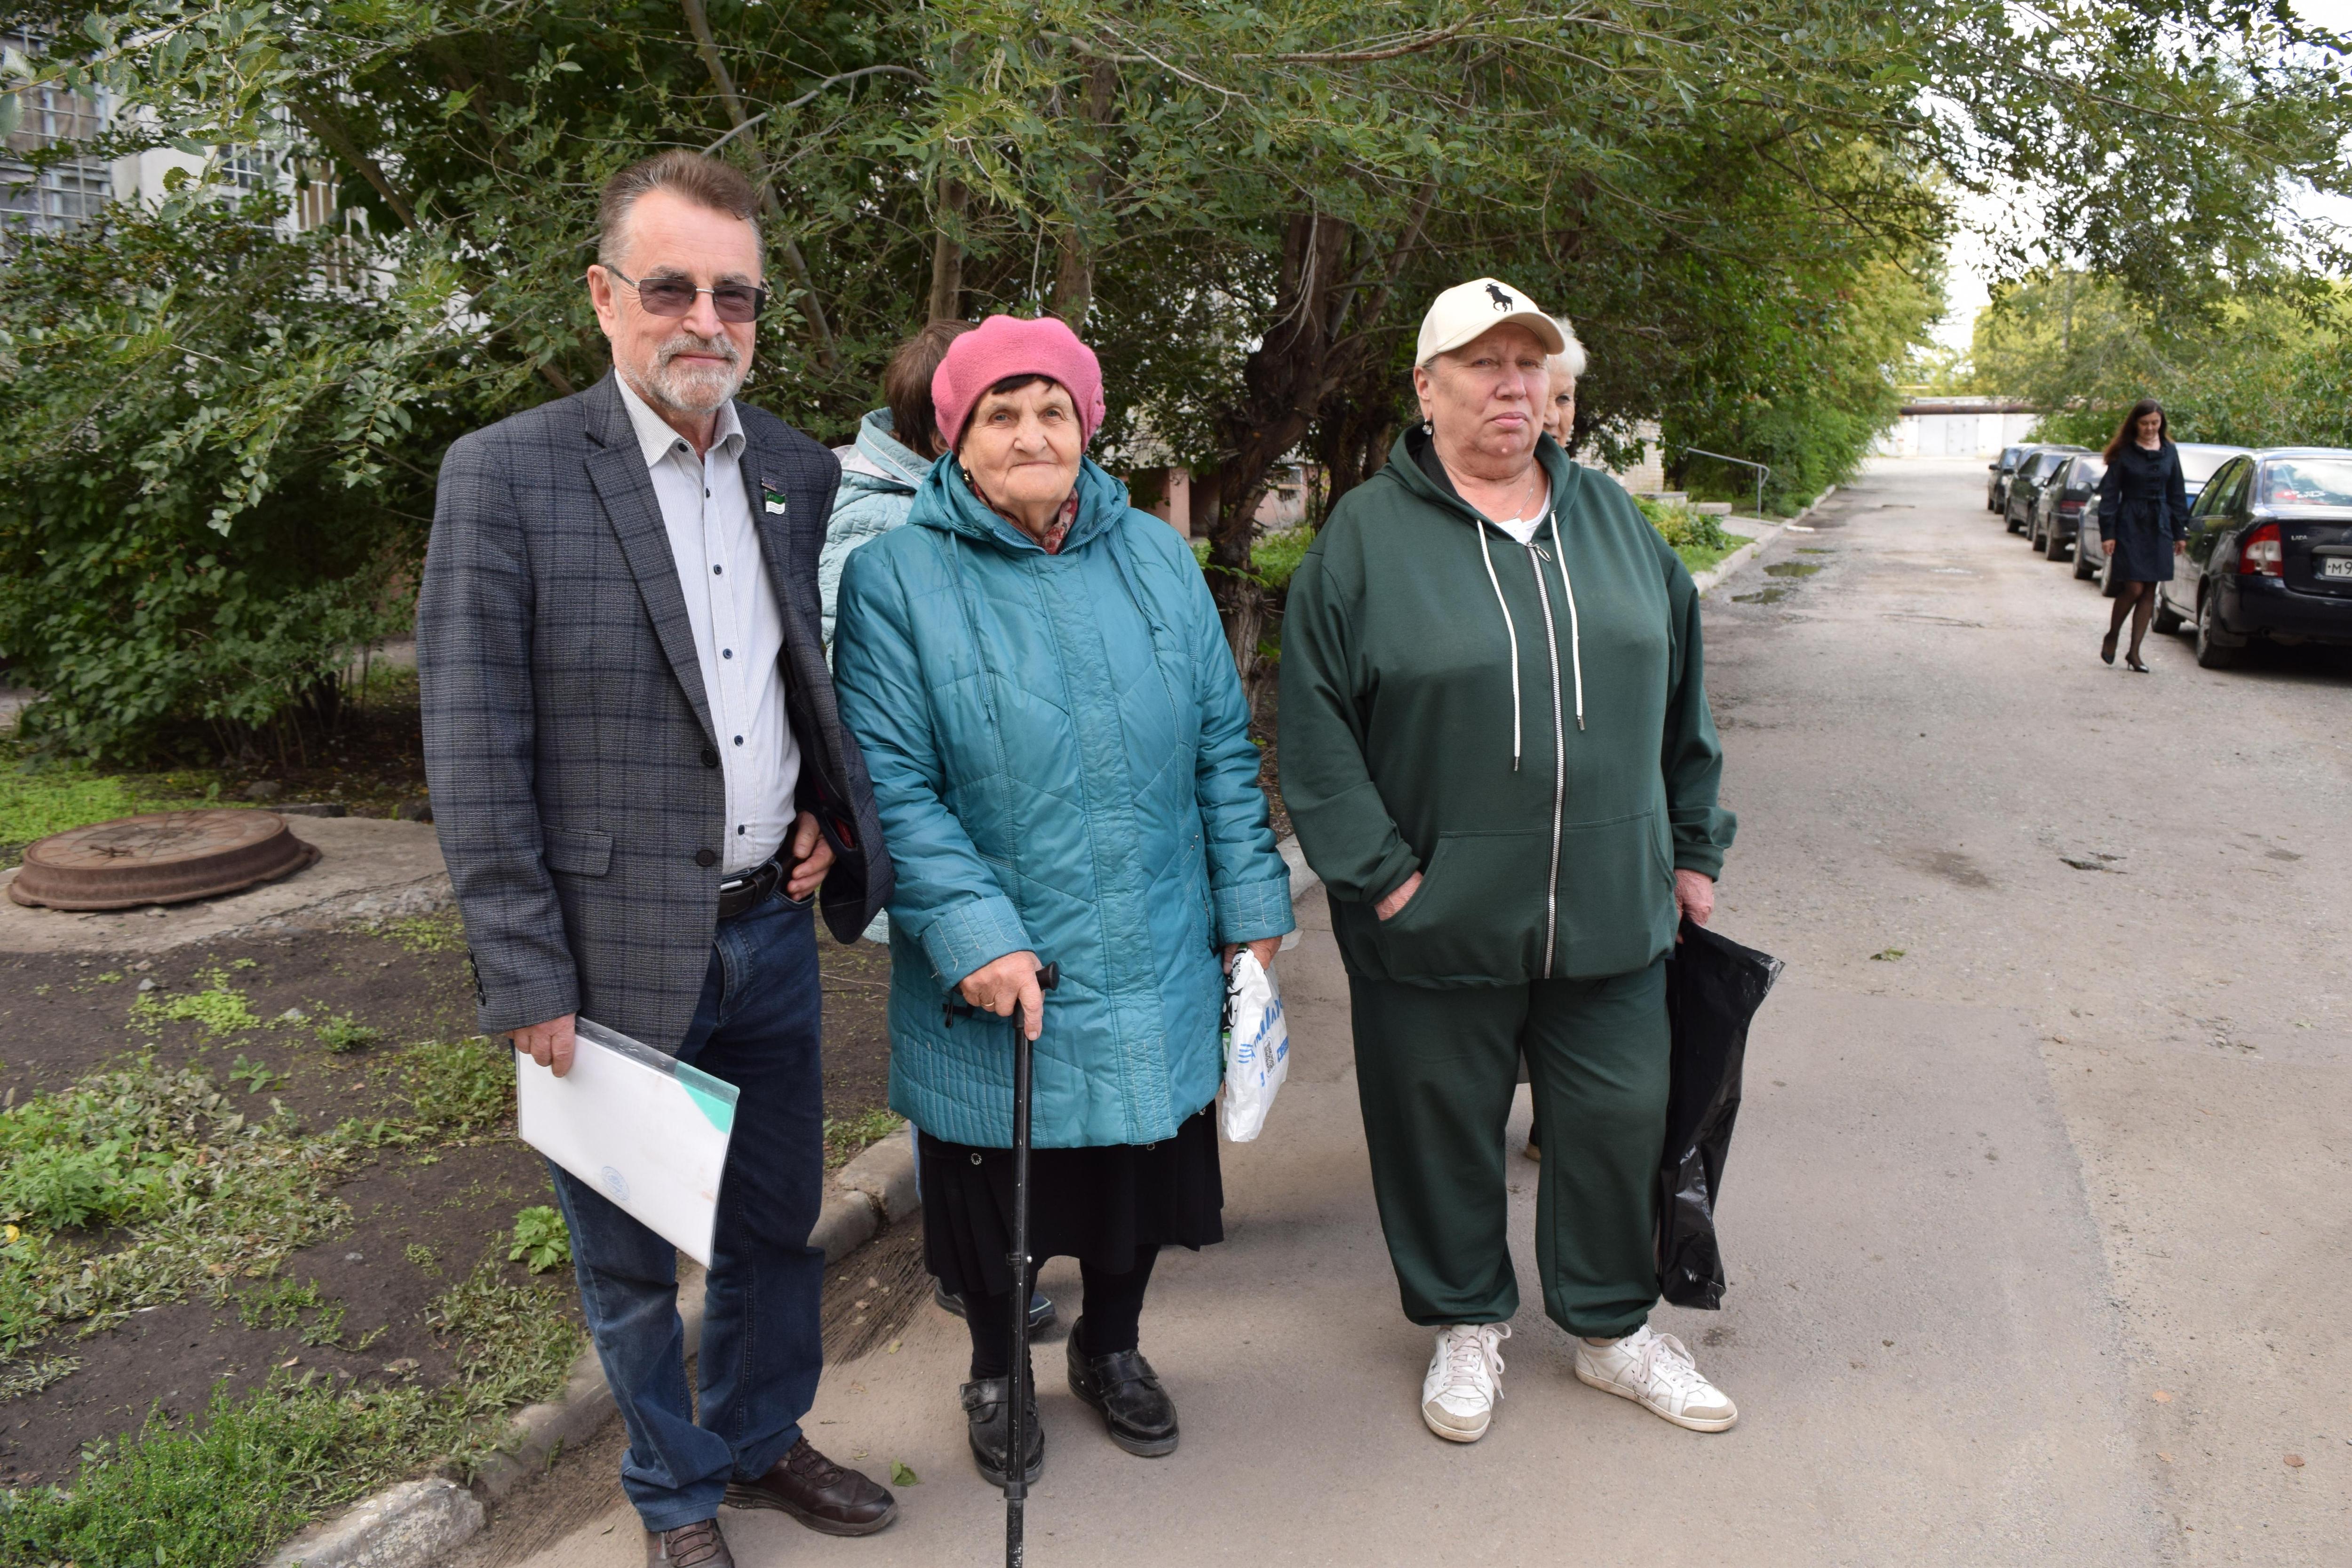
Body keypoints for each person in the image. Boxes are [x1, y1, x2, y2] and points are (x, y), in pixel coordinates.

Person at [417, 150, 898, 1568]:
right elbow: (475, 742)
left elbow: (799, 678)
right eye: (672, 286)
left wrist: (823, 813)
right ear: (603, 295)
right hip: (604, 949)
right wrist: (523, 972)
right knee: (630, 1259)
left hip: (768, 935)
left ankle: (759, 1438)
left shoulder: (797, 470)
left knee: (775, 1223)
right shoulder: (506, 475)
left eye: (734, 294)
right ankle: (675, 1496)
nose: (706, 319)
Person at [831, 313, 1294, 1486]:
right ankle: (997, 1369)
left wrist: (1251, 902)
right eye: (1002, 413)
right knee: (998, 1199)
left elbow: (1219, 747)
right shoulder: (896, 578)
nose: (1031, 433)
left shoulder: (1154, 556)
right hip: (1003, 965)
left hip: (1152, 939)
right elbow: (892, 785)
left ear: (1087, 426)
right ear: (956, 435)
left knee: (1137, 1172)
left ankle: (1111, 1346)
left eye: (1054, 410)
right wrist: (976, 936)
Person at [1281, 277, 1740, 1446]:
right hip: (1432, 918)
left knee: (1619, 1119)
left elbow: (1683, 699)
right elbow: (1317, 735)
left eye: (1530, 364)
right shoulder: (1364, 540)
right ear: (1426, 388)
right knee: (1436, 1127)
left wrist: (1691, 849)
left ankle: (1611, 1327)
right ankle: (1465, 1320)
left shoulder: (1613, 521)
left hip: (1614, 912)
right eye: (1483, 364)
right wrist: (1386, 878)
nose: (1511, 386)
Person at [817, 316, 1057, 1333]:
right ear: (943, 424)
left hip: (993, 832)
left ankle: (1000, 1242)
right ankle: (970, 1261)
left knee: (992, 1041)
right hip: (933, 840)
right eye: (992, 412)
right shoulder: (881, 530)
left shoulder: (933, 502)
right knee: (953, 1052)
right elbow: (869, 717)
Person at [817, 318, 975, 656]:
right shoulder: (876, 521)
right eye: (999, 417)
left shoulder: (948, 497)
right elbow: (849, 663)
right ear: (944, 440)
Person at [1526, 313, 1589, 1163]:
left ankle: (1553, 1112)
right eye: (1552, 394)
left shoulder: (1592, 508)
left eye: (1568, 398)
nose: (1556, 414)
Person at [2095, 398, 2190, 673]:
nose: (2150, 428)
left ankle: (2135, 653)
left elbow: (2177, 492)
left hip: (2159, 524)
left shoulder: (2170, 451)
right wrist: (2109, 533)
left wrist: (2179, 532)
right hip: (2130, 523)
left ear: (2162, 423)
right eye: (2145, 423)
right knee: (2134, 587)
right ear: (2135, 424)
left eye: (2155, 423)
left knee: (2150, 589)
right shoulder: (2124, 452)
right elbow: (2110, 495)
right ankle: (2113, 634)